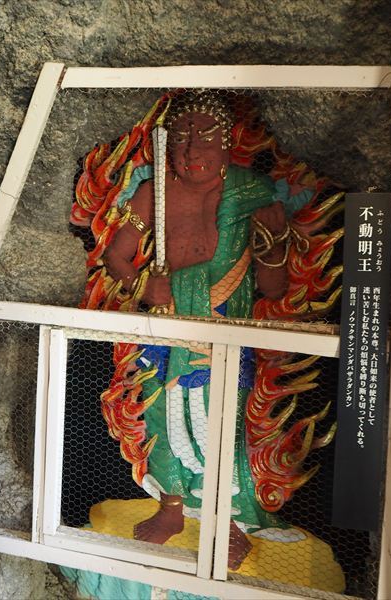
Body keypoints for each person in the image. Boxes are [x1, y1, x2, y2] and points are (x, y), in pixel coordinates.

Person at [100, 92, 312, 568]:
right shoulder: (154, 191)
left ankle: (228, 520)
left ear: (228, 141)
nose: (190, 151)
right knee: (161, 414)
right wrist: (141, 285)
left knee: (221, 421)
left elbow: (273, 287)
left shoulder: (252, 193)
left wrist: (274, 246)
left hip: (224, 323)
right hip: (167, 320)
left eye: (205, 139)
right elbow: (116, 255)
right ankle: (171, 507)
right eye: (179, 140)